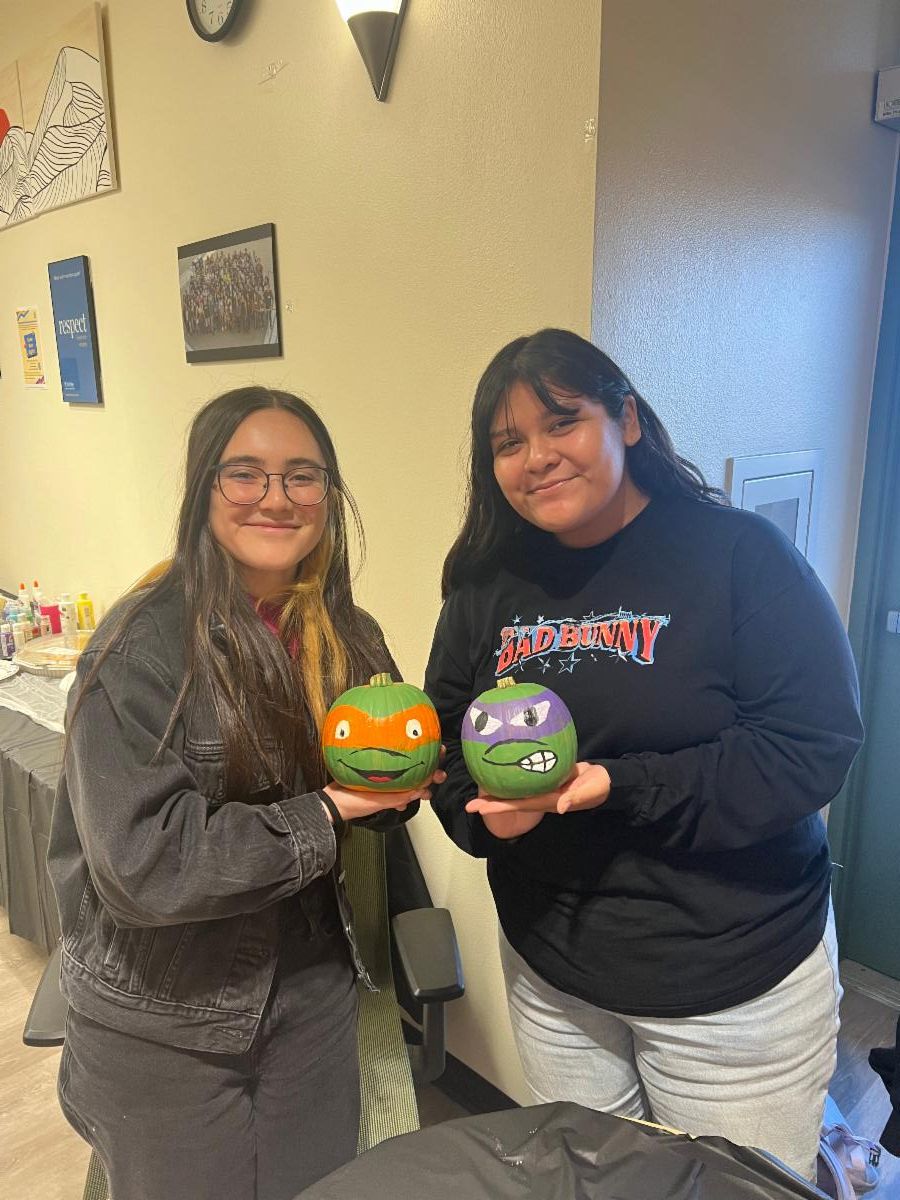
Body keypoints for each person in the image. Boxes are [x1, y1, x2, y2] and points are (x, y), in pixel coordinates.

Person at [425, 328, 863, 1182]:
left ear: (625, 419)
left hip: (734, 986)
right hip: (556, 981)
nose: (536, 458)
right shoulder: (485, 585)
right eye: (508, 443)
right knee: (593, 1185)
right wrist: (483, 821)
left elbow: (809, 747)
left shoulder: (738, 555)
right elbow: (445, 740)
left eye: (562, 423)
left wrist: (617, 787)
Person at [48, 387, 439, 1200]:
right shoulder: (140, 648)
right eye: (246, 474)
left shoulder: (347, 634)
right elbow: (146, 863)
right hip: (169, 1018)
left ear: (328, 495)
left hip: (311, 996)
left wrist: (408, 786)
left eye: (302, 476)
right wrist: (328, 813)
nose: (276, 498)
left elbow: (378, 774)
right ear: (204, 488)